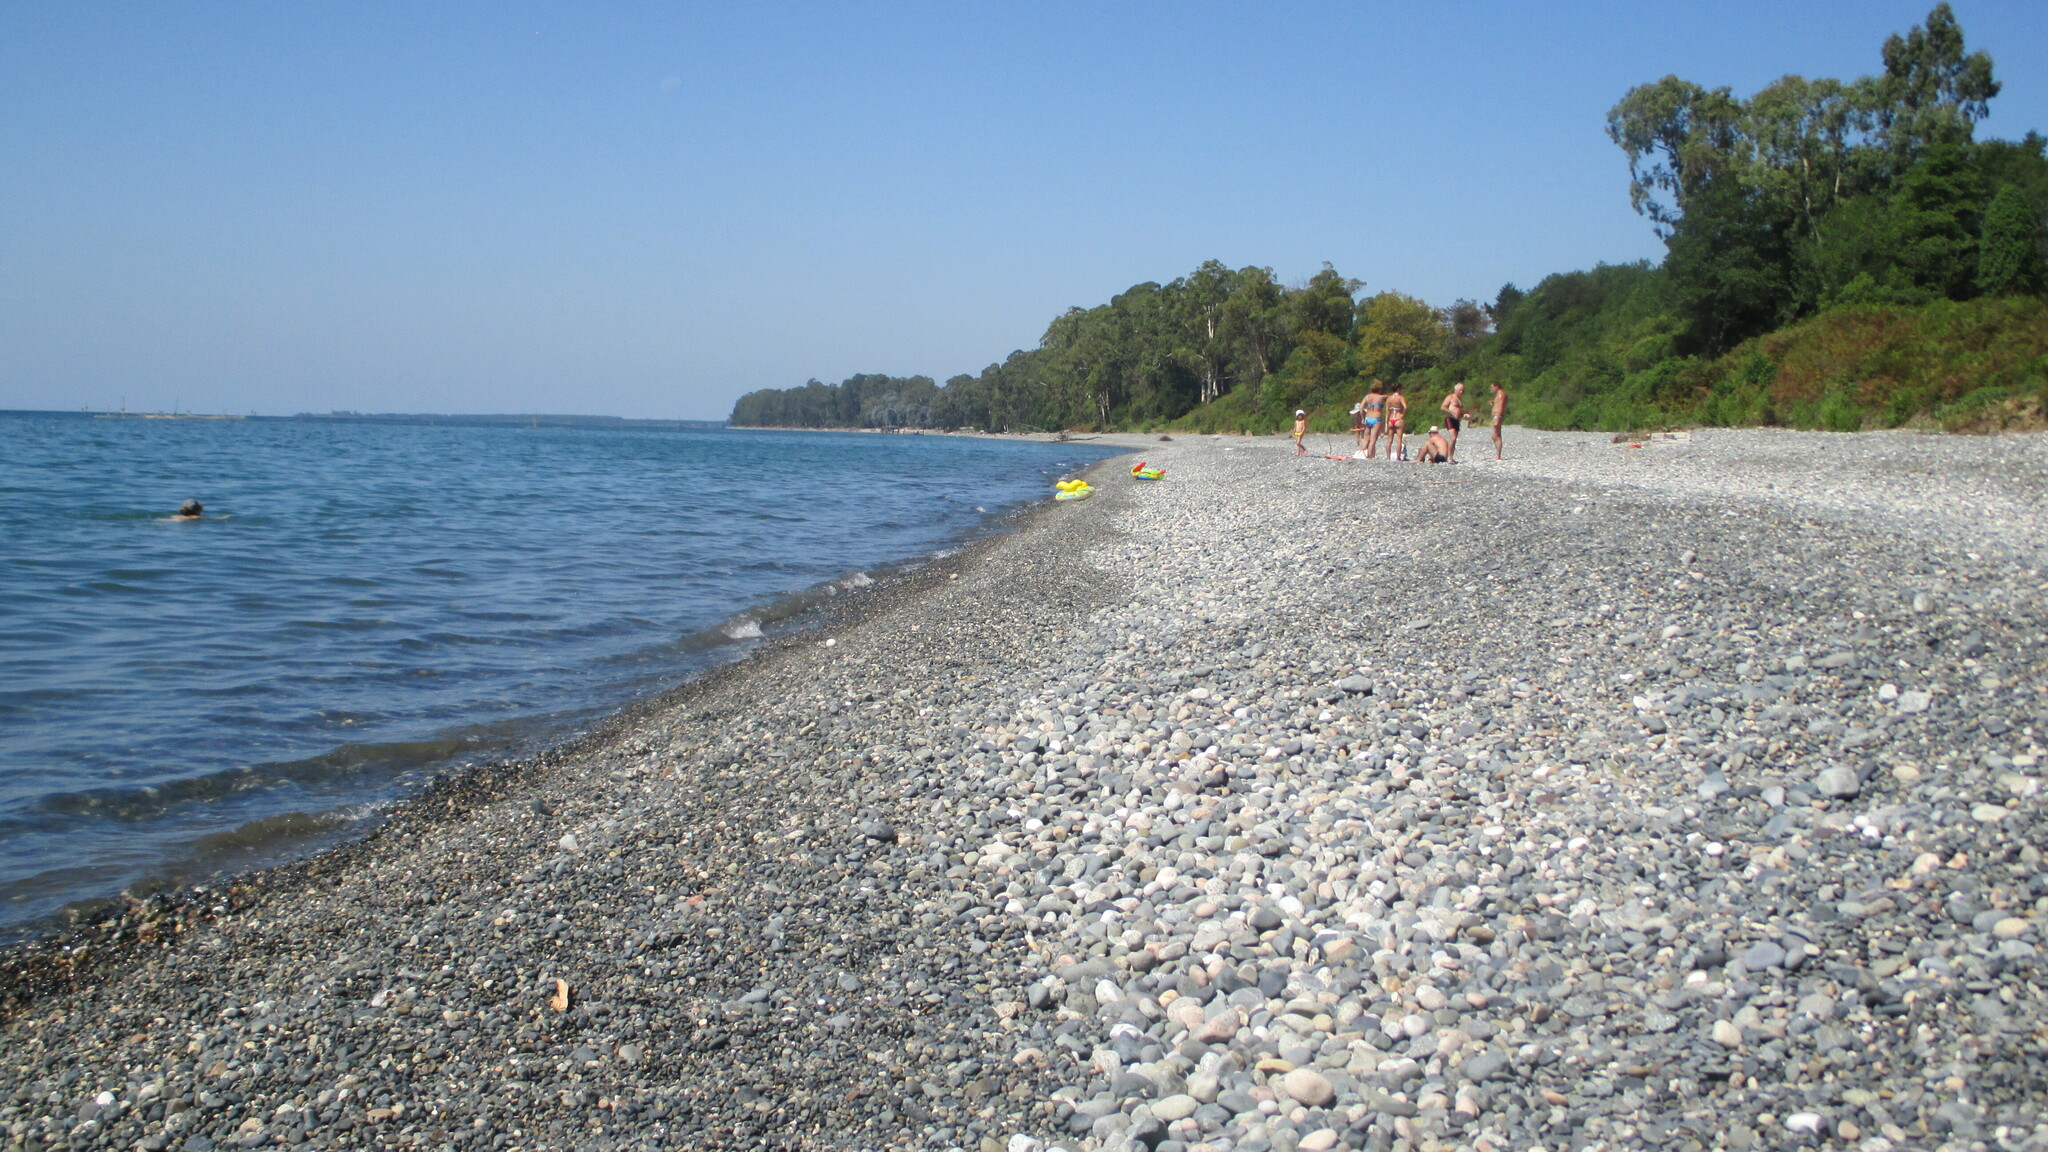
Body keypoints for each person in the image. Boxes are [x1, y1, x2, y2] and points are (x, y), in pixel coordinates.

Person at [1439, 382, 1467, 461]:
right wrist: (1452, 412)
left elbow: (1460, 410)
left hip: (1457, 420)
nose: (1462, 392)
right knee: (1453, 437)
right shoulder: (1450, 397)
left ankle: (1451, 456)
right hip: (1450, 418)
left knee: (1454, 439)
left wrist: (1464, 414)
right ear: (1456, 390)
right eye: (1460, 390)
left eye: (1463, 390)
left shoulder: (1460, 400)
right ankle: (1449, 457)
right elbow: (1443, 407)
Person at [1360, 380, 1387, 458]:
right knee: (1372, 440)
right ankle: (1370, 456)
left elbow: (1361, 407)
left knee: (1365, 439)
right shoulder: (1381, 397)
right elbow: (1388, 397)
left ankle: (1362, 454)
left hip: (1368, 418)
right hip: (1376, 418)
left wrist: (1362, 418)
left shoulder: (1367, 397)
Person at [1386, 384, 1408, 461]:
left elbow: (1387, 412)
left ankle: (1388, 457)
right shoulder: (1400, 397)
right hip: (1398, 418)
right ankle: (1398, 457)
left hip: (1391, 418)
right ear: (1398, 389)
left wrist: (1386, 423)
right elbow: (1405, 407)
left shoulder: (1389, 398)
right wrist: (1402, 415)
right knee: (1399, 439)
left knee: (1389, 440)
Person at [1489, 381, 1507, 460]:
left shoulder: (1501, 394)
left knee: (1496, 435)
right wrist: (1493, 403)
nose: (1491, 389)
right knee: (1494, 435)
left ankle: (1498, 455)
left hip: (1497, 416)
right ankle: (1498, 454)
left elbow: (1501, 406)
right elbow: (1498, 404)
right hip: (1495, 416)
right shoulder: (1498, 395)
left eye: (1492, 387)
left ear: (1497, 387)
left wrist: (1498, 416)